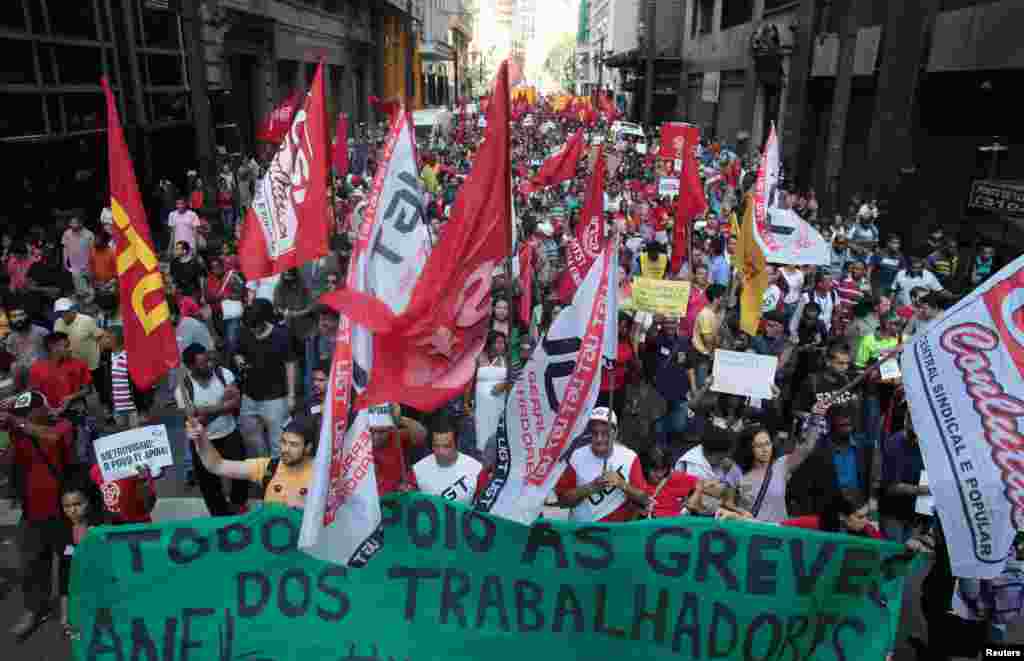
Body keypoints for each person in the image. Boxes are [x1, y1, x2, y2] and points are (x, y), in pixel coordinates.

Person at [0, 391, 75, 639]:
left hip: (65, 512)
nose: (22, 418)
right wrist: (7, 428)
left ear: (42, 410)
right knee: (32, 564)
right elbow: (8, 461)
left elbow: (52, 439)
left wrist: (16, 421)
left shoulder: (62, 426)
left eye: (27, 413)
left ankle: (73, 610)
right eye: (20, 414)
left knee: (70, 562)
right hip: (32, 512)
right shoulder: (19, 431)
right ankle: (35, 609)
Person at [175, 343, 247, 516]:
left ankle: (238, 504)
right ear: (190, 366)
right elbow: (193, 422)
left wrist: (204, 410)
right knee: (209, 483)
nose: (208, 365)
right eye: (202, 363)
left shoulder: (224, 374)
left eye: (208, 360)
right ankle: (219, 515)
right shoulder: (183, 390)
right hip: (203, 442)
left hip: (229, 434)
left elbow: (235, 402)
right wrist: (221, 406)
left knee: (241, 473)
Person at [187, 415, 316, 508]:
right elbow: (217, 465)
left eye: (294, 445)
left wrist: (306, 507)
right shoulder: (268, 467)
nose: (285, 449)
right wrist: (201, 437)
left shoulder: (320, 475)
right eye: (283, 442)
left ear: (308, 448)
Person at [555, 407, 648, 522]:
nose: (599, 439)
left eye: (605, 433)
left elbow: (644, 500)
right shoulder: (576, 456)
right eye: (595, 433)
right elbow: (563, 502)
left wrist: (622, 484)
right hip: (581, 531)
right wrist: (590, 488)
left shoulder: (629, 457)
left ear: (615, 433)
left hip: (616, 532)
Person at [236, 299, 298, 459]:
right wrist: (239, 360)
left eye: (256, 327)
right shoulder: (245, 332)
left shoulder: (281, 335)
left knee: (278, 443)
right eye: (250, 328)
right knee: (252, 440)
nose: (254, 331)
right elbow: (238, 351)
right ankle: (263, 473)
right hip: (249, 396)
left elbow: (290, 364)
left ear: (264, 320)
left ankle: (279, 477)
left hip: (275, 398)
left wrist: (291, 395)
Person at [733, 425, 815, 523]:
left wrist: (816, 418)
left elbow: (807, 447)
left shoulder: (780, 465)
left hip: (777, 533)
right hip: (751, 533)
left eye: (767, 444)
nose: (765, 449)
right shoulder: (737, 474)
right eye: (759, 446)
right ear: (748, 448)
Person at [57, 479, 105, 639]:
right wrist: (64, 612)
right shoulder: (62, 533)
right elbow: (64, 575)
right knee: (80, 641)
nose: (73, 510)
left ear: (89, 502)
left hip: (102, 597)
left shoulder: (102, 528)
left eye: (78, 504)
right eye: (67, 506)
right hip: (77, 599)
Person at [409, 414, 487, 504]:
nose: (441, 452)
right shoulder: (417, 471)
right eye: (436, 446)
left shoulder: (476, 470)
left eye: (447, 446)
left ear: (457, 444)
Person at [879, 412, 927, 543]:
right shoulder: (894, 444)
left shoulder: (925, 443)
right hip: (893, 514)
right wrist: (923, 490)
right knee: (894, 554)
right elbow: (891, 486)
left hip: (914, 516)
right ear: (907, 421)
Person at [675, 425, 742, 515]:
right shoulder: (692, 463)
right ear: (711, 453)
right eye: (721, 457)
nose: (724, 459)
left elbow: (734, 487)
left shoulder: (725, 462)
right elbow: (718, 492)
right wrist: (724, 487)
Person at [52, 298, 104, 408]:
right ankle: (83, 412)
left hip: (92, 363)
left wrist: (101, 356)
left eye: (65, 312)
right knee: (77, 391)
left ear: (72, 310)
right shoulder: (58, 323)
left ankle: (106, 409)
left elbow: (99, 337)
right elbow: (57, 343)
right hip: (73, 365)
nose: (63, 315)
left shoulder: (86, 320)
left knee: (101, 388)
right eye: (60, 313)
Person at [29, 332, 92, 419]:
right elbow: (35, 393)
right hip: (49, 413)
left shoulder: (79, 364)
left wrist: (71, 397)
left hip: (75, 410)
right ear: (53, 347)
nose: (70, 349)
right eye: (66, 346)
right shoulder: (36, 368)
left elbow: (88, 389)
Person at [371, 403, 429, 495]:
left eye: (381, 432)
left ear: (390, 429)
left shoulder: (396, 436)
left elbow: (422, 434)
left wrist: (400, 419)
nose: (376, 437)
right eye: (371, 431)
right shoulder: (355, 441)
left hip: (395, 498)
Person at [5, 304, 48, 390]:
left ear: (27, 316)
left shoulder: (42, 332)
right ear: (10, 320)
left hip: (42, 375)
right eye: (14, 316)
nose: (18, 319)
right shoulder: (11, 338)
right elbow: (12, 357)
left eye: (21, 315)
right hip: (23, 377)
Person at [691, 283, 726, 388]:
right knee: (703, 387)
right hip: (702, 358)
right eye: (723, 297)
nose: (725, 300)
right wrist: (717, 344)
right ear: (716, 299)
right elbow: (708, 340)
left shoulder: (713, 314)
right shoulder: (706, 314)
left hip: (708, 357)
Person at [303, 306, 337, 402]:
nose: (322, 323)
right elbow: (309, 370)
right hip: (319, 397)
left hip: (339, 395)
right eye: (320, 319)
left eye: (326, 319)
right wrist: (310, 397)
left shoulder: (346, 342)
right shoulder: (312, 341)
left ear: (336, 321)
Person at [61, 215, 95, 299]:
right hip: (74, 265)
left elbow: (93, 251)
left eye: (74, 223)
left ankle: (89, 304)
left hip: (87, 265)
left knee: (89, 287)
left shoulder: (89, 234)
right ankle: (82, 303)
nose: (72, 225)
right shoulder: (66, 233)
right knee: (78, 288)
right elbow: (65, 248)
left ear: (81, 223)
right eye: (71, 223)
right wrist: (65, 261)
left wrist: (91, 265)